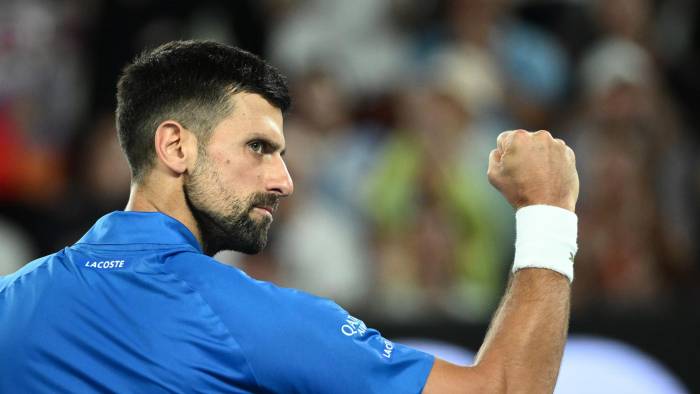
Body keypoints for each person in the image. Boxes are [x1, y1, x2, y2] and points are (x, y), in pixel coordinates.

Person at [0, 40, 579, 393]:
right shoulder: (243, 316)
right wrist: (547, 210)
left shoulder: (12, 301)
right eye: (258, 147)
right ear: (175, 147)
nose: (283, 180)